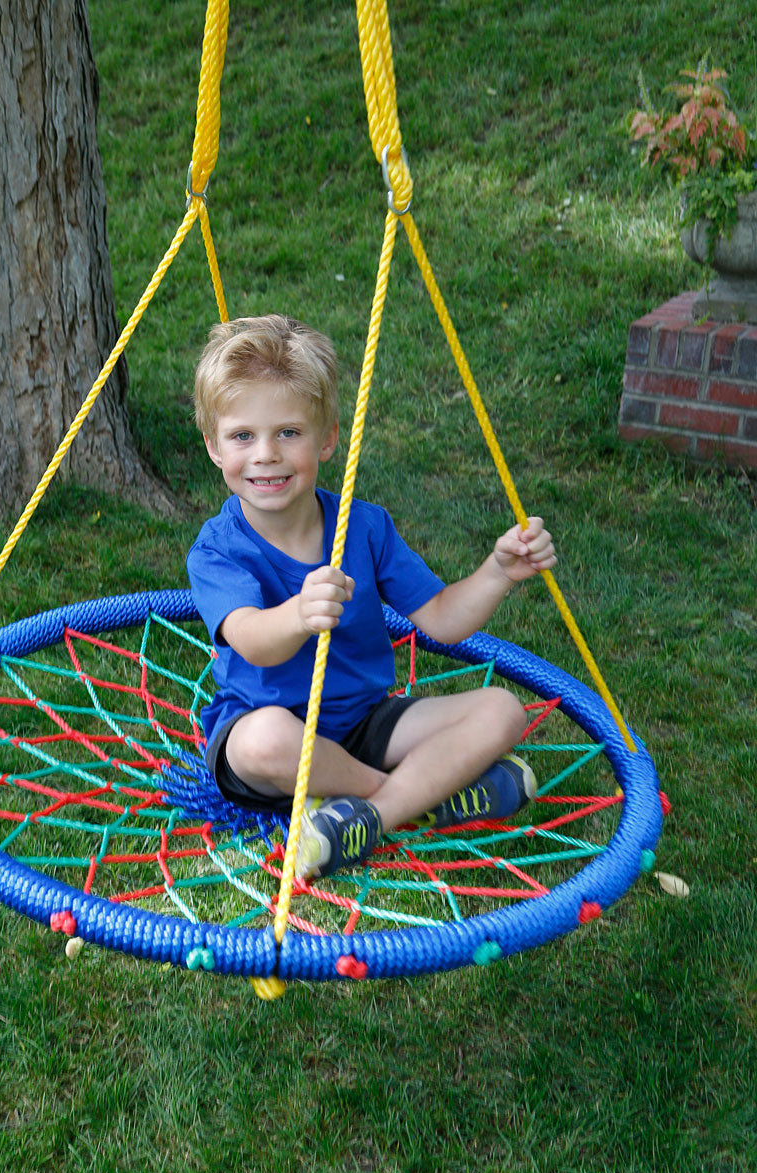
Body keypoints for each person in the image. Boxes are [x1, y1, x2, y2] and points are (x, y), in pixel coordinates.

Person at [186, 314, 558, 880]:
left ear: (329, 438)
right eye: (243, 436)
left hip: (366, 723)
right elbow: (252, 642)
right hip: (273, 732)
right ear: (214, 446)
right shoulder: (218, 550)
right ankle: (420, 797)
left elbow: (444, 619)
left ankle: (373, 817)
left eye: (288, 432)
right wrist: (296, 614)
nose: (265, 454)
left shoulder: (362, 527)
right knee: (261, 742)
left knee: (501, 711)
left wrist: (497, 572)